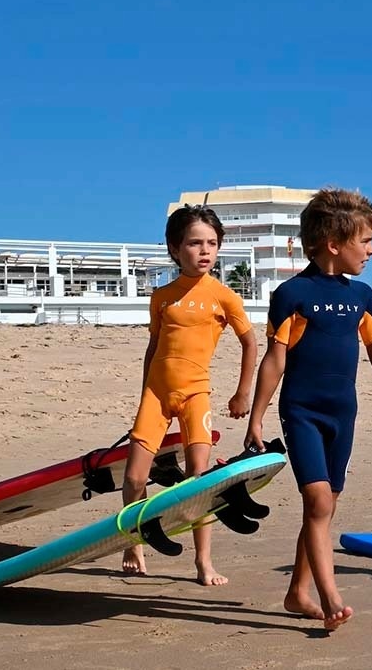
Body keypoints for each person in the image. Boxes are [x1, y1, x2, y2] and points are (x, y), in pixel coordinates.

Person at [244, 188, 372, 632]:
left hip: (344, 413)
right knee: (318, 501)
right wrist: (257, 415)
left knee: (325, 507)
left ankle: (297, 592)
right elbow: (275, 358)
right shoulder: (292, 294)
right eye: (364, 241)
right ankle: (329, 598)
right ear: (333, 243)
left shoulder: (362, 295)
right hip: (303, 410)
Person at [121, 204, 257, 585]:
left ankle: (204, 561)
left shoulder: (224, 296)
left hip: (197, 395)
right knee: (134, 479)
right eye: (195, 243)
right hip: (156, 394)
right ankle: (135, 543)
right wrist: (146, 387)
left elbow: (250, 344)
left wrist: (241, 393)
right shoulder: (162, 296)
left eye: (212, 243)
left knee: (199, 481)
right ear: (174, 247)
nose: (205, 251)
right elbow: (154, 345)